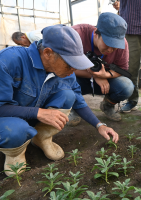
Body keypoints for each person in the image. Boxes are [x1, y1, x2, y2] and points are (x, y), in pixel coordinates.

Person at [0, 24, 119, 176]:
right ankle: (14, 154)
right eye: (70, 65)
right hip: (8, 120)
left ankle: (42, 137)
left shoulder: (65, 71)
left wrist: (99, 125)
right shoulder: (8, 60)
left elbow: (77, 99)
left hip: (32, 115)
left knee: (68, 95)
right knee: (16, 130)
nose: (73, 71)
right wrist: (38, 112)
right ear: (48, 53)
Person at [73, 12, 134, 122]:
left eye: (115, 47)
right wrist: (95, 75)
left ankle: (107, 105)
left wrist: (104, 75)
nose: (110, 50)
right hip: (78, 78)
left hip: (104, 80)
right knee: (63, 80)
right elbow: (65, 67)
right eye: (108, 43)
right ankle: (73, 106)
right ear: (96, 34)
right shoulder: (76, 35)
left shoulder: (123, 44)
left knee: (126, 86)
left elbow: (122, 69)